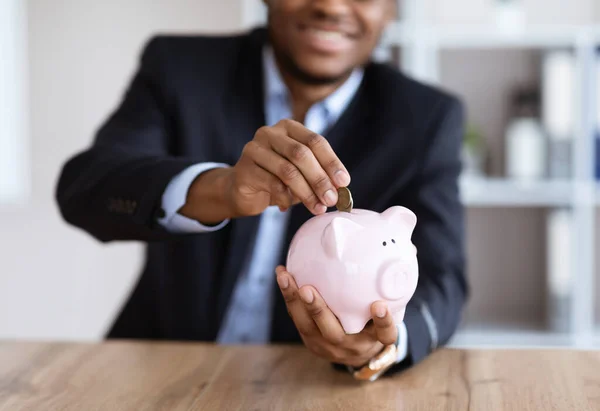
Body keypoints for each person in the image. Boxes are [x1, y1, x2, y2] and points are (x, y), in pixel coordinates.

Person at [55, 0, 468, 380]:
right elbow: (85, 186)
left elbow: (444, 277)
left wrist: (382, 344)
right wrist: (219, 189)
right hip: (160, 369)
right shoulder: (180, 68)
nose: (330, 5)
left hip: (311, 384)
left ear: (392, 10)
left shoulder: (425, 117)